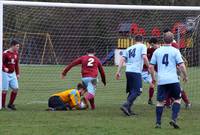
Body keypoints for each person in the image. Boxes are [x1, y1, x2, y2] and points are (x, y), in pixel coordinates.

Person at [149, 32, 188, 129]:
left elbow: (150, 66)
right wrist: (185, 76)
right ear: (172, 40)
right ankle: (173, 119)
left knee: (160, 102)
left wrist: (153, 78)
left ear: (163, 40)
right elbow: (181, 65)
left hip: (162, 80)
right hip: (173, 80)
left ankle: (158, 123)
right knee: (178, 99)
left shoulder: (157, 51)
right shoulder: (175, 51)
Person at [115, 35, 149, 116]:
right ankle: (125, 105)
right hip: (136, 71)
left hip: (128, 71)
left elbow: (122, 59)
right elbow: (144, 57)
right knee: (137, 91)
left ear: (134, 40)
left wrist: (118, 72)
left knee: (132, 91)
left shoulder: (129, 48)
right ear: (142, 40)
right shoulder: (142, 46)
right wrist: (149, 66)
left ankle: (128, 110)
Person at [163, 28, 191, 109]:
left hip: (174, 69)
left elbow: (176, 58)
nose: (164, 36)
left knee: (175, 87)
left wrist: (179, 69)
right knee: (168, 86)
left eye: (165, 34)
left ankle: (186, 102)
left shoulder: (173, 44)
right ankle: (168, 103)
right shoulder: (168, 44)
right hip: (169, 69)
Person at [2, 40, 20, 110]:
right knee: (4, 90)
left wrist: (17, 73)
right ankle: (2, 106)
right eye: (17, 46)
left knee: (16, 88)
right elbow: (1, 63)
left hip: (13, 74)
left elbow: (16, 65)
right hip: (4, 73)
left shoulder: (16, 53)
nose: (18, 47)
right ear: (12, 45)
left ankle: (10, 104)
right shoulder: (5, 53)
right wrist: (4, 68)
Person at [142, 37, 159, 105]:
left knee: (161, 85)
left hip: (159, 70)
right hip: (150, 70)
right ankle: (150, 99)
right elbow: (144, 57)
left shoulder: (160, 50)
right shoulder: (149, 50)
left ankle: (167, 100)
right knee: (152, 84)